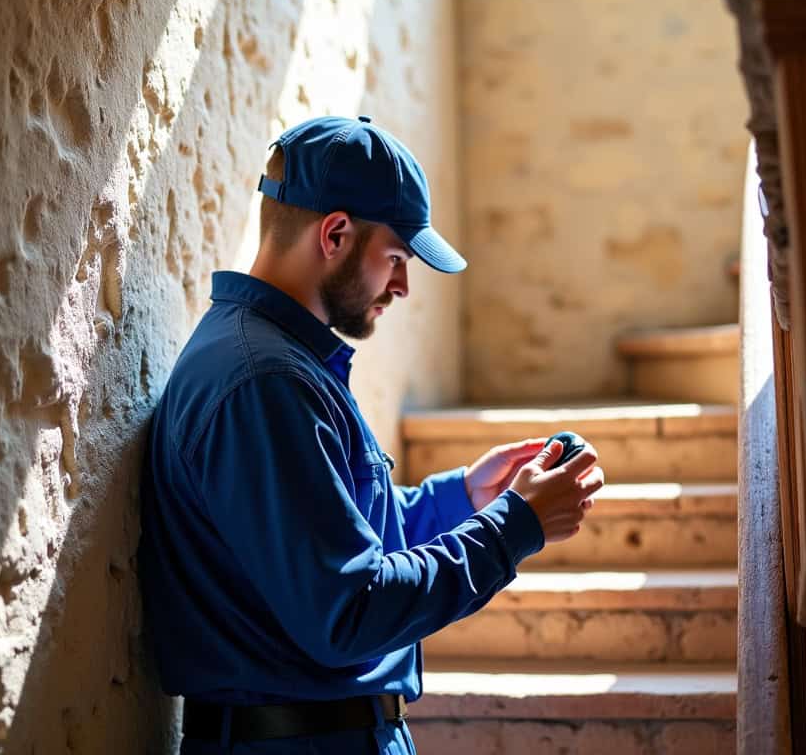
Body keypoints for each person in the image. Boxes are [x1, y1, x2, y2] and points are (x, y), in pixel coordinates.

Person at [136, 115, 603, 754]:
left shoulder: (276, 365)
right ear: (335, 233)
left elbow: (335, 534)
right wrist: (515, 526)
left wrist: (464, 496)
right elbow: (349, 610)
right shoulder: (265, 381)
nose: (404, 286)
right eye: (397, 258)